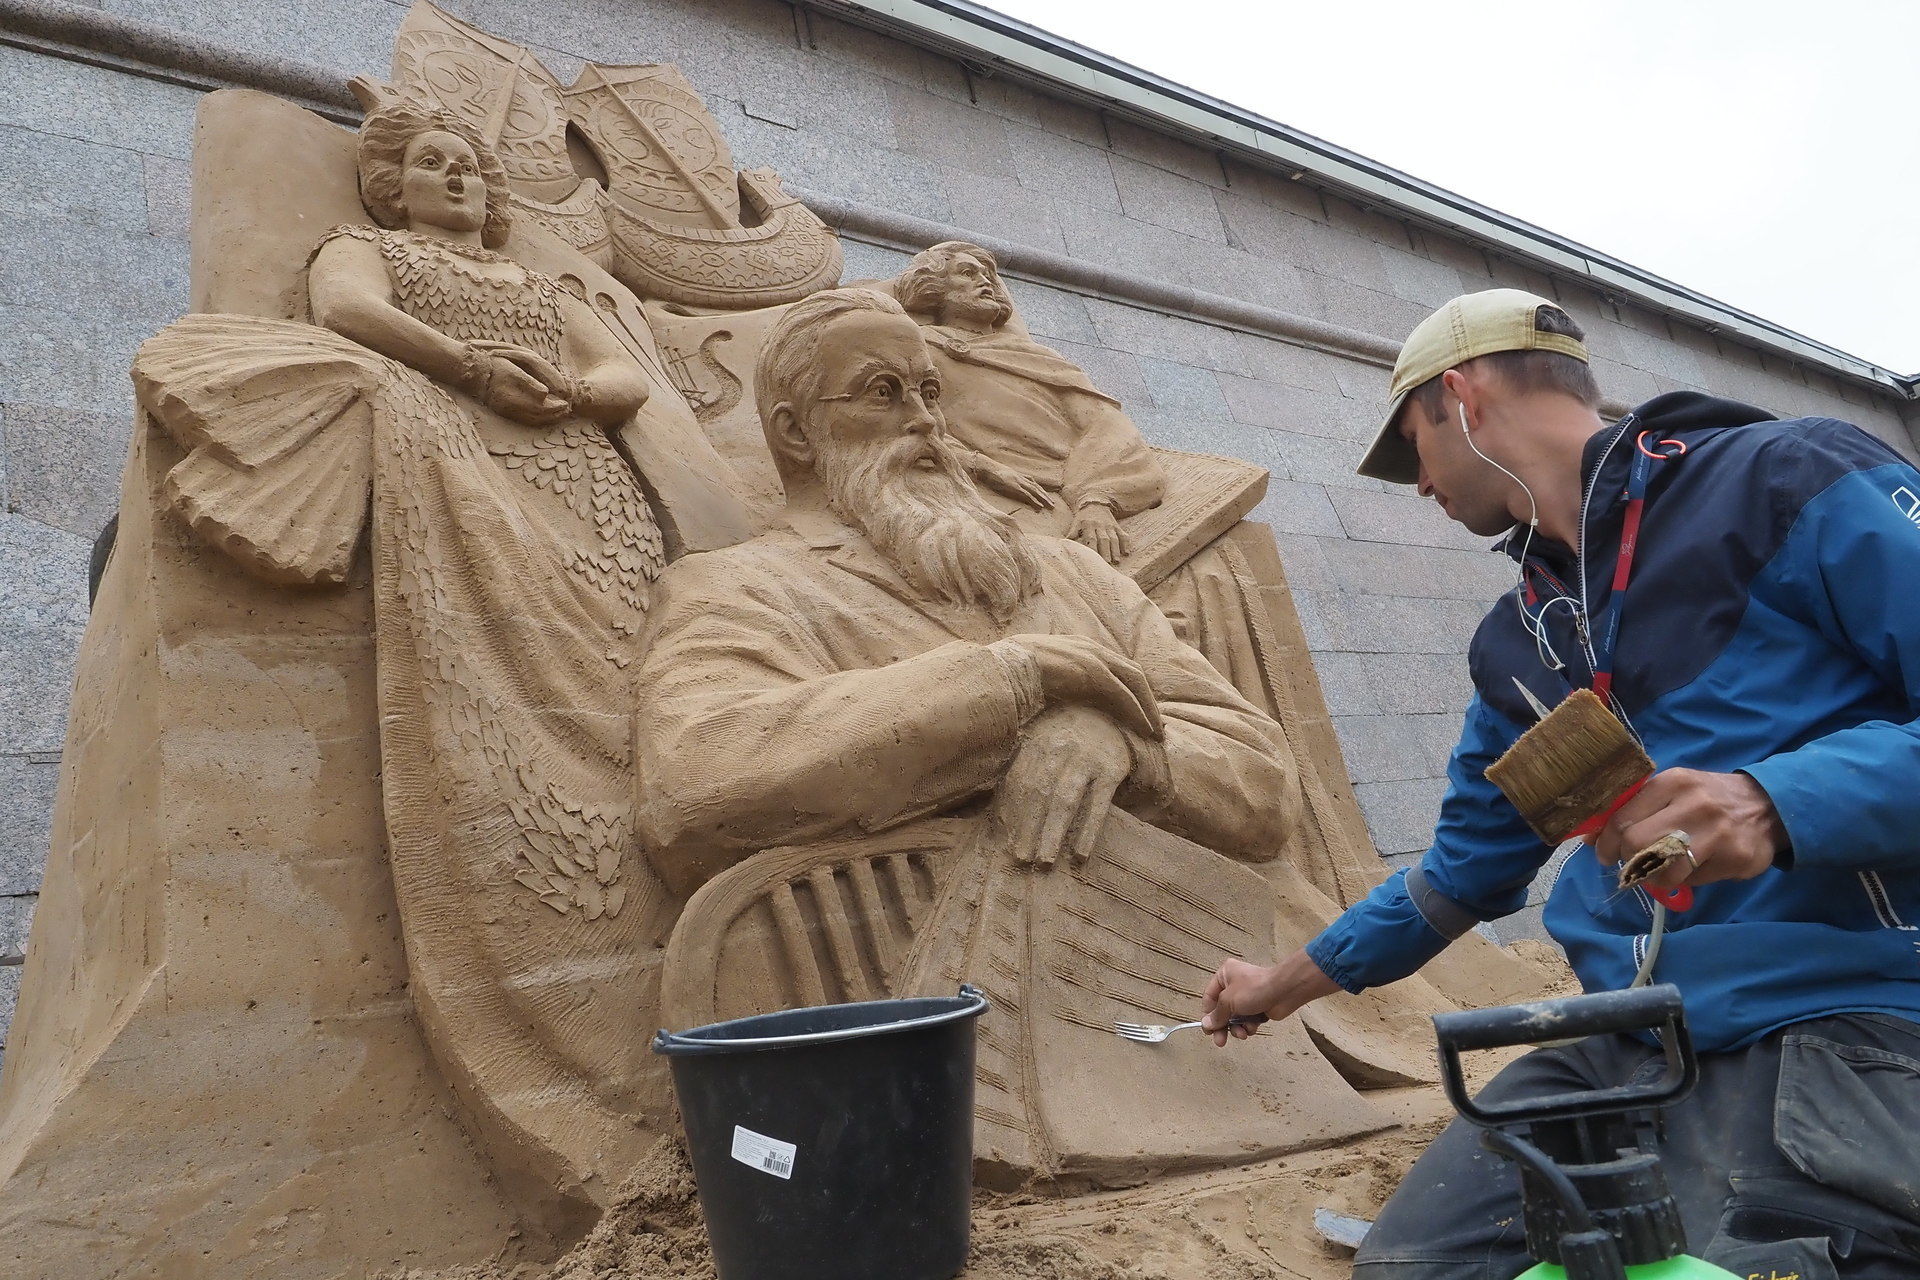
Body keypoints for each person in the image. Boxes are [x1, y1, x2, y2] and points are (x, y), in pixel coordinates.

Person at [630, 288, 1455, 1182]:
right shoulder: (739, 590)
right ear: (794, 433)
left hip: (1203, 1012)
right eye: (882, 393)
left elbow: (1260, 780)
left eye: (931, 392)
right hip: (966, 1053)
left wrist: (1129, 754)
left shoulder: (1072, 574)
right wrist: (1010, 685)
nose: (924, 421)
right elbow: (696, 779)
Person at [1199, 288, 1920, 1277]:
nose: (1417, 486)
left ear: (1463, 396)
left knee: (1763, 1259)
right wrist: (1277, 985)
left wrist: (1781, 800)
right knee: (1412, 1264)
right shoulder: (1523, 640)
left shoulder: (1789, 480)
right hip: (1622, 1040)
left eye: (1413, 445)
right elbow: (1455, 877)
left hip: (1841, 1012)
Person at [891, 241, 1166, 563]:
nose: (985, 282)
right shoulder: (920, 348)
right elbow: (902, 424)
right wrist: (984, 467)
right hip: (983, 492)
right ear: (934, 288)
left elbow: (1105, 424)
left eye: (988, 276)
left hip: (1074, 491)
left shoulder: (1043, 358)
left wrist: (1097, 501)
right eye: (968, 273)